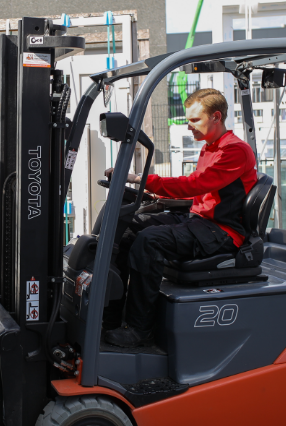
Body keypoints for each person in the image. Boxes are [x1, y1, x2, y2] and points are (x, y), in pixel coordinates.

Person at [104, 88, 257, 348]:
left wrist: (141, 179)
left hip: (222, 232)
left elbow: (195, 185)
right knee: (130, 227)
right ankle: (111, 314)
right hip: (199, 221)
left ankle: (140, 330)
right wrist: (156, 199)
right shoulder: (210, 147)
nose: (189, 127)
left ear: (216, 117)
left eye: (195, 120)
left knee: (149, 241)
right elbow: (202, 194)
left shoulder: (234, 151)